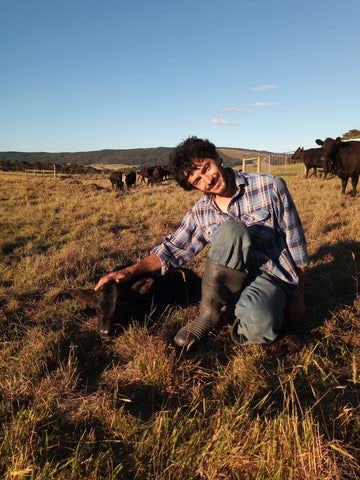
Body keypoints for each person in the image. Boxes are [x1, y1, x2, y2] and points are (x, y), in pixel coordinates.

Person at [95, 137, 308, 350]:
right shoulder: (200, 212)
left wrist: (298, 295)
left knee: (260, 325)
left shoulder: (270, 186)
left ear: (217, 157)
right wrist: (130, 271)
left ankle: (246, 312)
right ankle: (210, 314)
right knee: (232, 231)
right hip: (228, 284)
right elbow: (172, 249)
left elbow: (295, 242)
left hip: (270, 276)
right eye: (197, 181)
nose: (207, 180)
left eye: (206, 168)